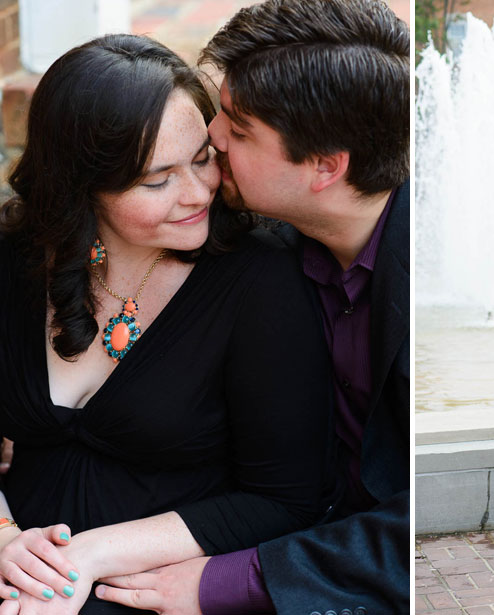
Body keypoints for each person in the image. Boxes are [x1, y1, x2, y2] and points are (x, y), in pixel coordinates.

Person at [94, 1, 410, 613]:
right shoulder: (261, 244)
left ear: (325, 165)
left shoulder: (415, 279)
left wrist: (234, 581)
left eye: (238, 131)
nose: (210, 139)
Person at [0, 33, 332, 613]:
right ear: (83, 186)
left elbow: (286, 497)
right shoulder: (15, 258)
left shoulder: (259, 279)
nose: (198, 192)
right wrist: (5, 538)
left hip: (157, 588)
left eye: (203, 158)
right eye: (157, 181)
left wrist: (87, 557)